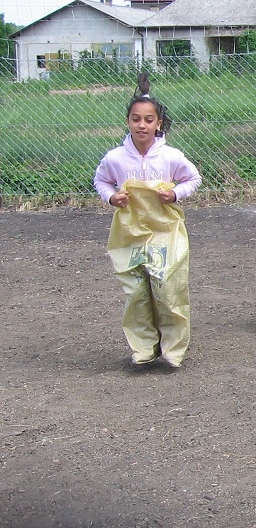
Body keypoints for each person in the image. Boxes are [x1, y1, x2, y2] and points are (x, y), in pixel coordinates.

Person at [93, 72, 202, 369]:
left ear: (158, 124)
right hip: (129, 232)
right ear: (128, 122)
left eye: (149, 120)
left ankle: (173, 348)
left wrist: (175, 194)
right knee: (136, 291)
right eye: (136, 119)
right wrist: (112, 197)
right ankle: (143, 347)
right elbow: (101, 180)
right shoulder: (116, 158)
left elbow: (193, 178)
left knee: (167, 288)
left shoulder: (170, 156)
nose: (142, 125)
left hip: (165, 230)